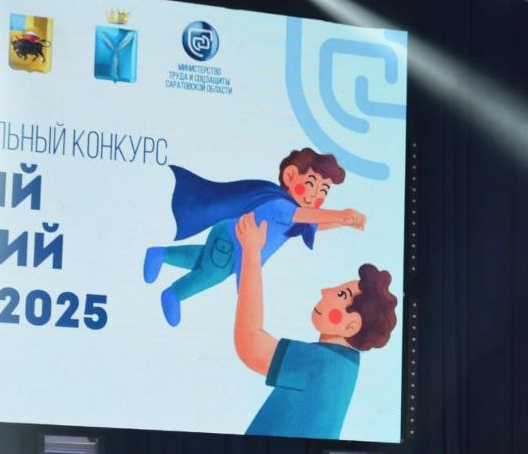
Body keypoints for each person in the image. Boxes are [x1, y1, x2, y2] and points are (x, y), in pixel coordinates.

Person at [143, 148, 367, 327]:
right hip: (232, 242)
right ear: (290, 176)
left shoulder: (294, 211)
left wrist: (343, 222)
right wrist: (341, 214)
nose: (315, 194)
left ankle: (160, 254)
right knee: (213, 272)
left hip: (232, 240)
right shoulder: (281, 206)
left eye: (323, 190)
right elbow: (307, 216)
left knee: (205, 259)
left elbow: (314, 224)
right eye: (310, 183)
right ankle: (174, 293)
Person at [231, 211, 397, 439]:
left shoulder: (324, 361)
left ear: (351, 326)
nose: (325, 291)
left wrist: (251, 253)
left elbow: (250, 342)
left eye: (341, 294)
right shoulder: (346, 363)